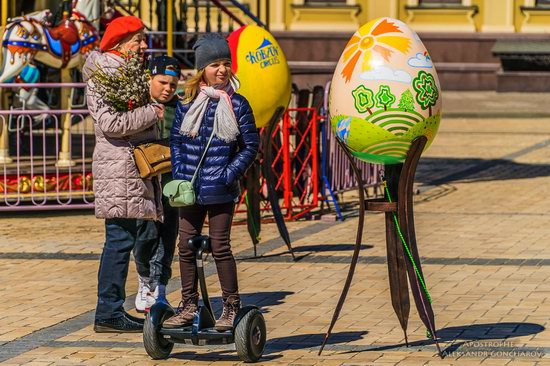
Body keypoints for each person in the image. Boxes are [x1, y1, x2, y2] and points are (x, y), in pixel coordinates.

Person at [164, 33, 259, 330]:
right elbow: (177, 140)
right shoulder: (187, 102)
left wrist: (228, 174)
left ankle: (231, 306)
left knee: (220, 247)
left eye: (225, 63)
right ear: (201, 69)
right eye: (215, 64)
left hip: (220, 188)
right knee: (186, 246)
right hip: (189, 189)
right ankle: (189, 304)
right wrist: (180, 171)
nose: (221, 69)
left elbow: (250, 146)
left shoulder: (238, 104)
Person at [83, 15, 164, 333]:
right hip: (118, 168)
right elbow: (111, 124)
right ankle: (108, 312)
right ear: (119, 43)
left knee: (128, 238)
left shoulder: (132, 75)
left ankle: (115, 308)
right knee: (118, 240)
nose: (144, 46)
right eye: (138, 40)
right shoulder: (101, 77)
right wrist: (151, 111)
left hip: (133, 168)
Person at [134, 56, 181, 312]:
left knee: (168, 235)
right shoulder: (138, 106)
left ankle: (159, 288)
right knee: (145, 235)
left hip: (171, 182)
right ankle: (144, 278)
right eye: (163, 82)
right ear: (150, 79)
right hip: (144, 182)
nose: (168, 89)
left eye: (173, 85)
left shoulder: (180, 109)